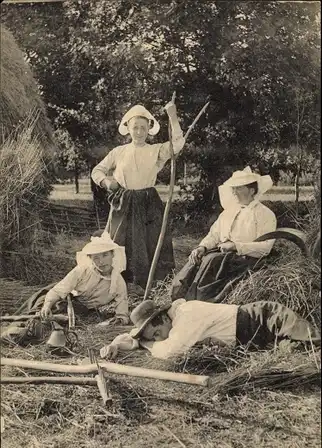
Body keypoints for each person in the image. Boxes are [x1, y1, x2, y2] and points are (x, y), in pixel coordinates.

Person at [91, 101, 185, 289]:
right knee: (118, 241)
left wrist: (173, 116)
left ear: (149, 129)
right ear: (128, 128)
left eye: (143, 128)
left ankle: (150, 284)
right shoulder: (119, 152)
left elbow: (178, 143)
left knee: (150, 241)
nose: (139, 132)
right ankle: (117, 283)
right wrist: (107, 182)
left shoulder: (155, 151)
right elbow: (97, 170)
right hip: (123, 203)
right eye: (135, 127)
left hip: (148, 202)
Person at [171, 167, 277, 303]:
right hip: (222, 255)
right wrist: (202, 247)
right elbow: (214, 234)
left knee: (212, 261)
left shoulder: (265, 214)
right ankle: (180, 299)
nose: (234, 192)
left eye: (238, 188)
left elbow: (265, 248)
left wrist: (235, 246)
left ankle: (199, 300)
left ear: (252, 190)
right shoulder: (229, 212)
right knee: (194, 262)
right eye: (233, 188)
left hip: (247, 259)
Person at [100, 298, 321, 361]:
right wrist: (115, 344)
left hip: (266, 318)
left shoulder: (187, 316)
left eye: (157, 335)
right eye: (153, 338)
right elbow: (131, 337)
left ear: (161, 320)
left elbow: (169, 352)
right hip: (253, 338)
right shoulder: (172, 323)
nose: (159, 339)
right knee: (293, 354)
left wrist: (147, 343)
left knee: (314, 347)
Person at [39, 232, 129, 325]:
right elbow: (58, 291)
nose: (101, 262)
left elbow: (122, 313)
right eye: (96, 258)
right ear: (90, 259)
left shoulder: (118, 282)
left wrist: (117, 321)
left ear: (112, 255)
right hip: (65, 300)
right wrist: (47, 306)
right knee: (42, 314)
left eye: (105, 255)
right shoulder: (82, 271)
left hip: (85, 311)